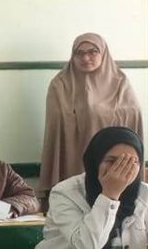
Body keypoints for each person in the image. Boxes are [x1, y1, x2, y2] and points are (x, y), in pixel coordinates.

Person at [39, 33, 144, 203]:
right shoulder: (60, 84)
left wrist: (96, 113)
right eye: (79, 53)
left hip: (113, 159)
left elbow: (133, 114)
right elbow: (56, 127)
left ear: (103, 53)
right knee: (76, 203)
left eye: (93, 52)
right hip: (72, 157)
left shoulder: (120, 81)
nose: (85, 58)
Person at [36, 126, 146, 249]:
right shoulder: (64, 193)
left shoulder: (145, 194)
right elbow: (87, 248)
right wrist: (110, 195)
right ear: (95, 161)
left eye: (131, 162)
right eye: (111, 161)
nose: (119, 169)